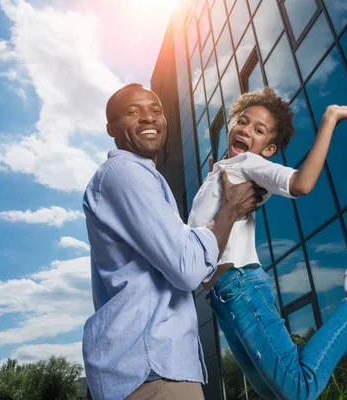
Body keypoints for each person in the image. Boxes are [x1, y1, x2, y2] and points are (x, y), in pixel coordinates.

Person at [188, 87, 347, 400]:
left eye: (258, 130)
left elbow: (302, 184)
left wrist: (329, 120)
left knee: (298, 391)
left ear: (268, 149)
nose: (245, 130)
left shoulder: (248, 164)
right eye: (242, 122)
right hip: (220, 297)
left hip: (239, 285)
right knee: (274, 393)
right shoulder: (220, 170)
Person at [81, 83, 266, 400]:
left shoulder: (140, 178)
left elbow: (184, 265)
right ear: (111, 128)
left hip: (151, 368)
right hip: (153, 369)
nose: (148, 118)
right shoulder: (126, 172)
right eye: (133, 112)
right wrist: (228, 210)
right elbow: (187, 268)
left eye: (155, 110)